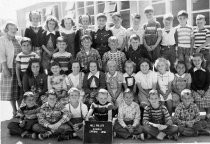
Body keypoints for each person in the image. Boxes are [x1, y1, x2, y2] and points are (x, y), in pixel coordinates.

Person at [0, 21, 22, 116]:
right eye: (11, 29)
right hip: (9, 66)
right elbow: (1, 55)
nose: (14, 30)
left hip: (20, 67)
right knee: (11, 91)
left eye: (15, 29)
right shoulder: (2, 39)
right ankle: (14, 110)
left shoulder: (19, 38)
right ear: (6, 30)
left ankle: (20, 110)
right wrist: (5, 68)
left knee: (19, 89)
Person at [16, 37, 39, 105]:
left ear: (31, 45)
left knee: (32, 91)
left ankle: (33, 107)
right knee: (23, 92)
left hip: (32, 75)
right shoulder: (19, 56)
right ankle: (22, 109)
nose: (26, 47)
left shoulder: (34, 55)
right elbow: (17, 69)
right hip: (23, 75)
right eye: (24, 45)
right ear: (21, 46)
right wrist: (19, 80)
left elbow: (38, 65)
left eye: (28, 45)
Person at [189, 53, 210, 120]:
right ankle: (197, 116)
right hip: (195, 89)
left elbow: (208, 82)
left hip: (205, 89)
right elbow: (191, 83)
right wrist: (197, 90)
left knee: (207, 97)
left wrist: (204, 90)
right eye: (194, 60)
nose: (197, 62)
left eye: (198, 60)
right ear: (192, 61)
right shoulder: (190, 71)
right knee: (198, 98)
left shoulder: (206, 70)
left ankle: (208, 115)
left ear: (202, 60)